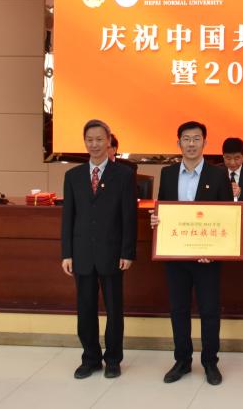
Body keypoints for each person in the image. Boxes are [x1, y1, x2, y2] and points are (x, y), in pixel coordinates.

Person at [150, 121, 231, 385]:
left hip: (207, 257)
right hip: (175, 255)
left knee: (209, 311)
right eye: (186, 139)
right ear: (179, 143)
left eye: (197, 139)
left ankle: (210, 362)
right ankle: (182, 360)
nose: (191, 144)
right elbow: (164, 208)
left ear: (205, 143)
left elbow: (227, 217)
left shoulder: (218, 175)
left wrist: (216, 251)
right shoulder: (168, 173)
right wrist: (156, 220)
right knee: (178, 309)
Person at [60, 119, 137, 379]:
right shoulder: (73, 176)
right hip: (82, 253)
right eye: (89, 140)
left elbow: (128, 217)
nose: (94, 144)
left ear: (109, 141)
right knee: (85, 309)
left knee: (114, 310)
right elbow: (68, 218)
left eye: (99, 139)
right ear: (85, 142)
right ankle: (90, 358)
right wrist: (67, 253)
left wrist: (127, 252)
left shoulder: (123, 175)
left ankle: (113, 359)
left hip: (112, 253)